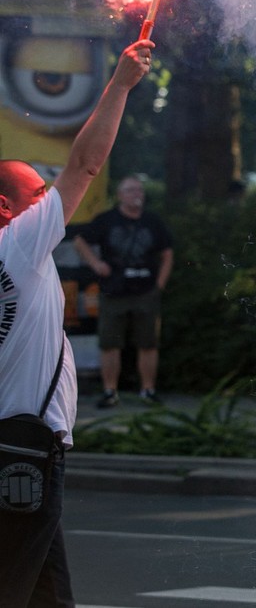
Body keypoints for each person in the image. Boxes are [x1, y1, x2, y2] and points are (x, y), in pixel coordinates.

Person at [0, 39, 152, 607]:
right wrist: (118, 85)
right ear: (5, 208)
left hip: (21, 448)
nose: (49, 204)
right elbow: (86, 164)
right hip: (24, 448)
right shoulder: (16, 247)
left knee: (48, 594)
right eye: (36, 195)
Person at [73, 176, 173, 407]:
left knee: (148, 343)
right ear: (120, 195)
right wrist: (96, 264)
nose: (136, 194)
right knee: (110, 343)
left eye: (139, 190)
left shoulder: (152, 221)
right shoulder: (107, 220)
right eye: (130, 190)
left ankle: (148, 390)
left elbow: (167, 253)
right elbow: (80, 241)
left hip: (146, 291)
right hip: (114, 292)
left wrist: (160, 284)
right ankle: (110, 392)